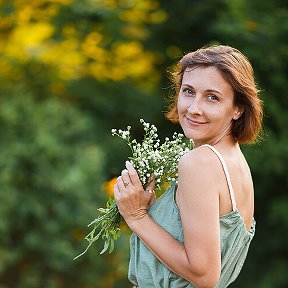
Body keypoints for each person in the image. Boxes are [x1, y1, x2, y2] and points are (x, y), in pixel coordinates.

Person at [113, 45, 263, 288]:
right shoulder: (233, 160)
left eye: (212, 97)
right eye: (189, 91)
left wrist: (137, 217)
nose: (194, 108)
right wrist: (154, 212)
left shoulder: (200, 162)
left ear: (238, 109)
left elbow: (204, 275)